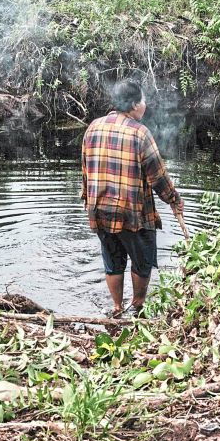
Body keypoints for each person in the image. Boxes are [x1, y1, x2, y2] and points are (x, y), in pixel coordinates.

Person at [80, 79, 187, 318]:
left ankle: (117, 308)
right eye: (144, 100)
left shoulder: (93, 128)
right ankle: (138, 307)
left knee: (113, 261)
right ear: (134, 104)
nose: (145, 105)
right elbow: (157, 177)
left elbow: (86, 172)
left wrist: (89, 202)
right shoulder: (140, 133)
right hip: (132, 214)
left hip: (100, 210)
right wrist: (174, 200)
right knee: (142, 262)